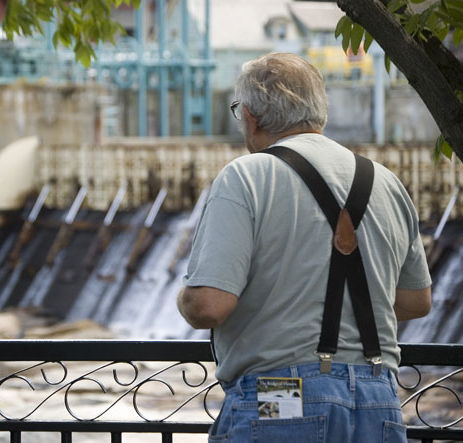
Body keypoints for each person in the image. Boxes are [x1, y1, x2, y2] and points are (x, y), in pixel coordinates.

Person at [177, 52, 432, 442]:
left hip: (281, 395)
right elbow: (416, 301)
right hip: (377, 397)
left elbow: (209, 305)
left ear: (250, 116)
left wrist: (186, 298)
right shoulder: (384, 181)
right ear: (319, 112)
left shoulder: (247, 176)